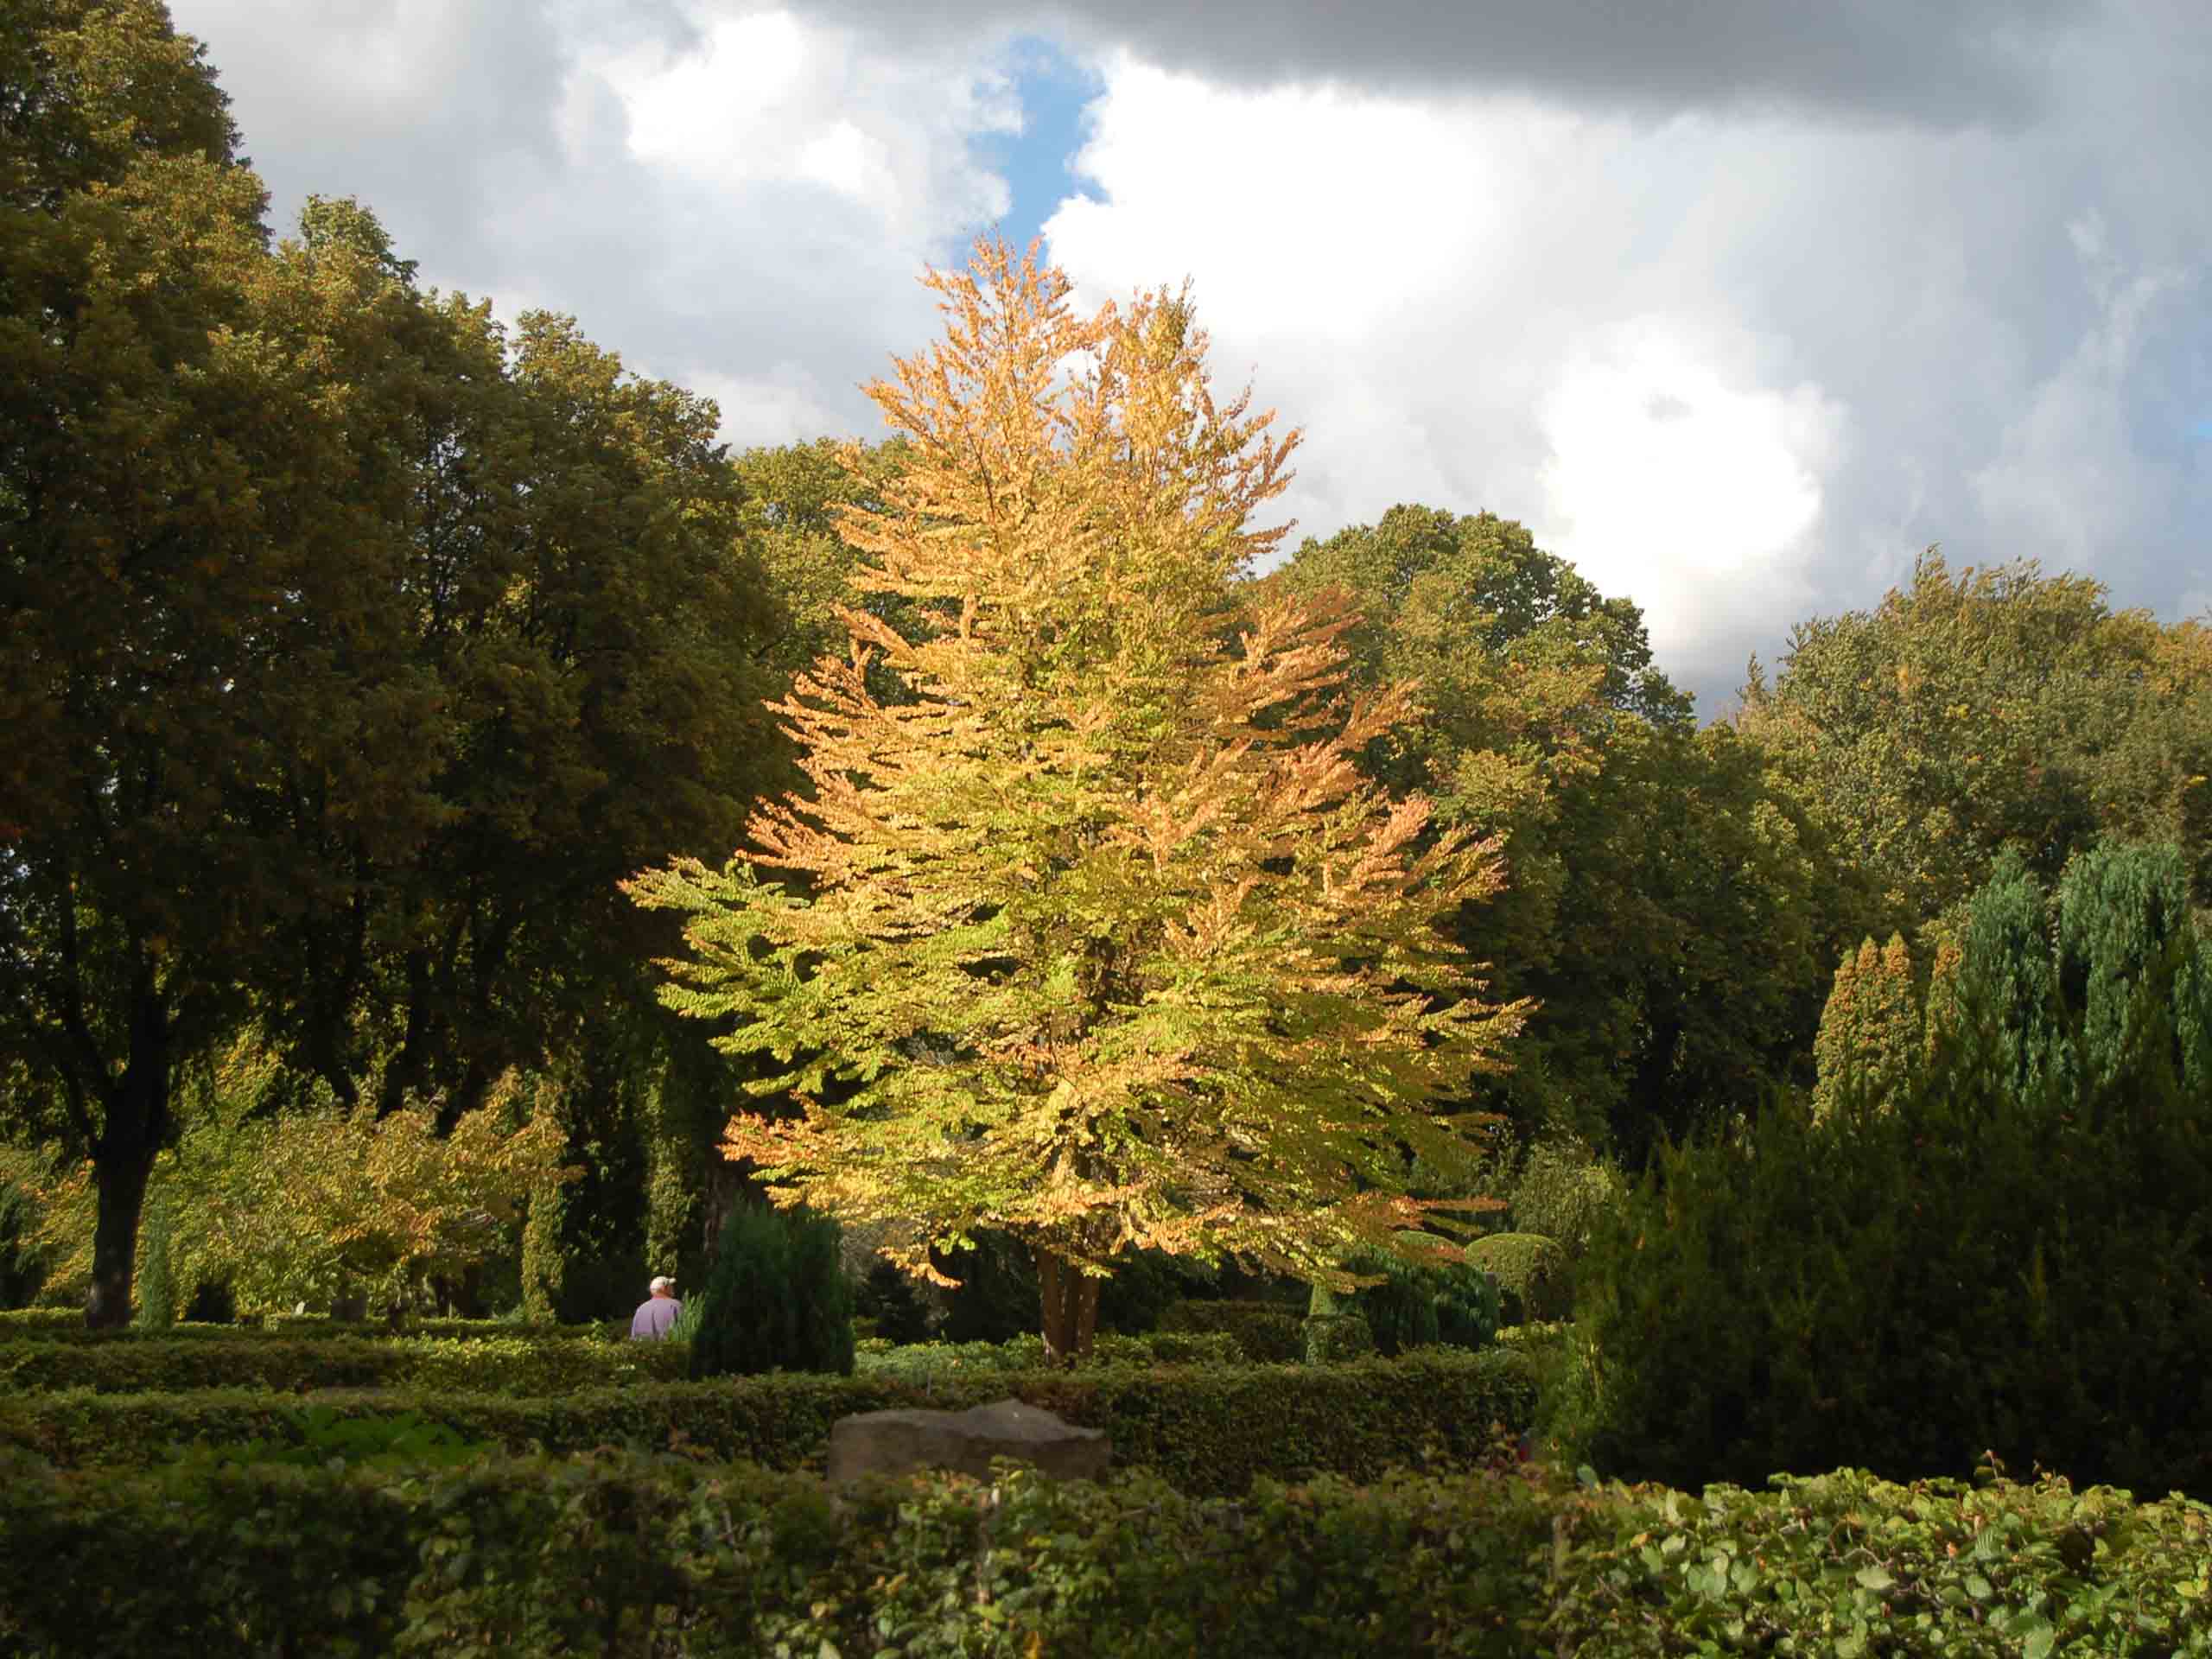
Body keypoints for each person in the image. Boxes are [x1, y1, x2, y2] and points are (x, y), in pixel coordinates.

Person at [629, 1274, 682, 1340]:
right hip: (670, 1348)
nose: (672, 1288)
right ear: (663, 1288)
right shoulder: (676, 1305)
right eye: (670, 1286)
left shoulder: (641, 1309)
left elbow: (634, 1337)